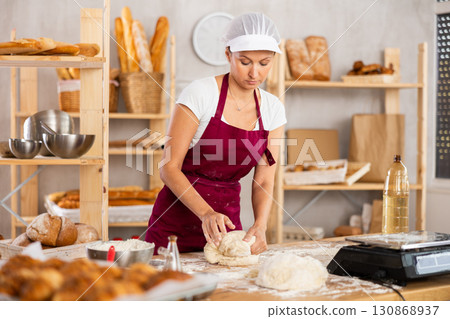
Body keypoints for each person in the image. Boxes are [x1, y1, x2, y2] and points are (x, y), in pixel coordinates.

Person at [145, 12, 286, 255]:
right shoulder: (200, 94)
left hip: (228, 230)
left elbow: (264, 179)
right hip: (173, 230)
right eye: (245, 62)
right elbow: (168, 168)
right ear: (228, 55)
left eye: (264, 63)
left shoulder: (272, 109)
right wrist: (206, 213)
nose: (255, 73)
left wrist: (261, 225)